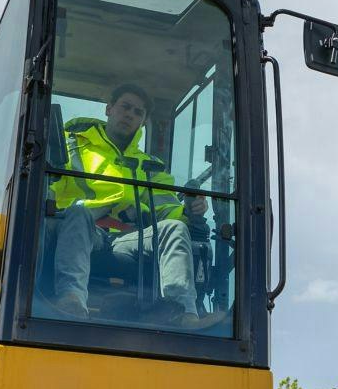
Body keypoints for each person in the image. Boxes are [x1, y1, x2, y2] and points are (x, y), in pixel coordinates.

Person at [48, 81, 214, 326]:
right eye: (125, 107)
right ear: (109, 109)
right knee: (79, 212)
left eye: (138, 112)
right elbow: (49, 187)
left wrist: (191, 211)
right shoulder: (71, 147)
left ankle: (184, 314)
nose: (130, 115)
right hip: (81, 229)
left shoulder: (149, 166)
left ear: (143, 121)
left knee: (175, 229)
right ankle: (71, 298)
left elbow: (167, 209)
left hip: (127, 238)